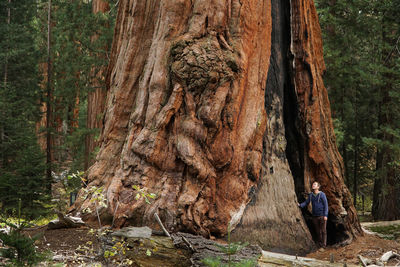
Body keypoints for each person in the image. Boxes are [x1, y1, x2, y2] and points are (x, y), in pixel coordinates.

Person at [298, 181, 328, 248]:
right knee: (318, 231)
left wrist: (325, 215)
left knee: (323, 231)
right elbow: (306, 202)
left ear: (318, 187)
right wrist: (300, 205)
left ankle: (324, 245)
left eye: (315, 184)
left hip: (322, 215)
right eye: (313, 184)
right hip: (314, 216)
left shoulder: (322, 194)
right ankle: (320, 244)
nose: (313, 185)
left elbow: (326, 205)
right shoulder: (311, 195)